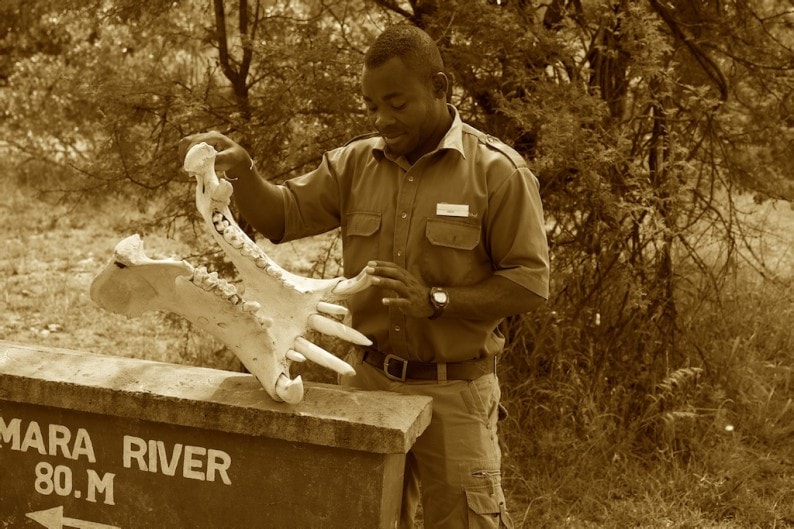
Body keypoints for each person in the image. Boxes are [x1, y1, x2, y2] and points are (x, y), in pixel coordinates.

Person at [180, 24, 549, 529]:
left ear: (440, 88)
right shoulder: (355, 164)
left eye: (396, 103)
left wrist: (436, 300)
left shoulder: (498, 173)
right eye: (372, 105)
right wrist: (242, 170)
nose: (382, 119)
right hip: (368, 383)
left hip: (455, 391)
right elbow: (280, 218)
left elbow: (528, 283)